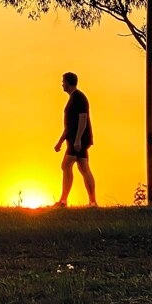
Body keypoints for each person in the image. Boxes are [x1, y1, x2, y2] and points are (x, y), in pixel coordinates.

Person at [53, 72, 97, 207]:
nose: (62, 84)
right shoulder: (73, 98)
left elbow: (83, 118)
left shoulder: (79, 97)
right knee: (83, 167)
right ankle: (92, 201)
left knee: (66, 165)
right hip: (73, 138)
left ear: (68, 82)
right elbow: (69, 125)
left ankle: (63, 200)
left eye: (63, 82)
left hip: (78, 139)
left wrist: (78, 139)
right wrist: (60, 141)